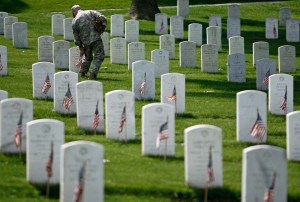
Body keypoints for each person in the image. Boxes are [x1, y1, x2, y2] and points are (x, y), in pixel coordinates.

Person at [71, 5, 106, 80]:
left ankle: (82, 72)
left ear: (74, 12)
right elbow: (103, 18)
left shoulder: (74, 20)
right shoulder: (90, 12)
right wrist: (102, 28)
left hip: (85, 41)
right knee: (99, 56)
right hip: (95, 38)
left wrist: (80, 46)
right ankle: (93, 74)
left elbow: (76, 35)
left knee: (88, 57)